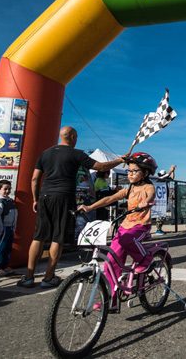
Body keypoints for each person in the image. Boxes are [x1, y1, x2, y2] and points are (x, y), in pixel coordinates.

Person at [18, 126, 124, 289]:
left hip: (45, 196)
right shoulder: (76, 154)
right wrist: (120, 160)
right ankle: (48, 277)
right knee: (57, 238)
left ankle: (28, 277)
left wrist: (35, 199)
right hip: (64, 197)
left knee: (38, 236)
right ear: (73, 137)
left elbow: (34, 179)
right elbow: (101, 167)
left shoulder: (45, 153)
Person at [78, 152, 157, 296]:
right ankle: (111, 298)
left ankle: (146, 259)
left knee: (128, 239)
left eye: (134, 171)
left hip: (141, 226)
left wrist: (146, 202)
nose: (130, 174)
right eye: (129, 171)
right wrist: (90, 207)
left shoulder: (147, 187)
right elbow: (110, 198)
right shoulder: (129, 189)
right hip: (125, 226)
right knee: (111, 260)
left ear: (145, 172)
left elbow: (151, 195)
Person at [0, 179, 18, 278]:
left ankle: (4, 266)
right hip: (3, 229)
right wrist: (1, 229)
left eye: (9, 189)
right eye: (5, 189)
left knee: (7, 248)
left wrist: (13, 227)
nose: (7, 191)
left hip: (10, 228)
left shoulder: (10, 201)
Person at [153, 165, 176, 236]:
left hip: (164, 200)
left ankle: (159, 229)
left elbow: (172, 177)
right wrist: (171, 170)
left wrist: (173, 171)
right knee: (159, 215)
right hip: (159, 200)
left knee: (162, 215)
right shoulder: (159, 179)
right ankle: (158, 229)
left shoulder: (165, 180)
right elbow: (166, 175)